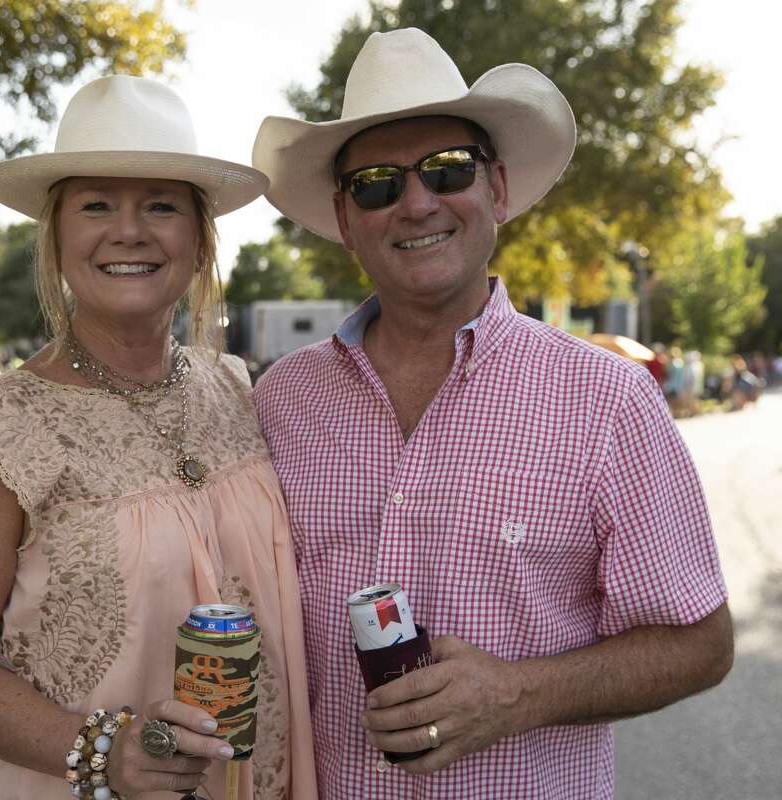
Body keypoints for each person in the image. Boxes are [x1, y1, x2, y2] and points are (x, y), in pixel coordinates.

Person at [251, 28, 732, 799]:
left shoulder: (606, 399)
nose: (416, 203)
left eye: (447, 171)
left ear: (497, 188)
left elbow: (701, 645)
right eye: (376, 183)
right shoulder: (282, 399)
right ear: (345, 219)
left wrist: (515, 695)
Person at [0, 75, 315, 800]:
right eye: (97, 205)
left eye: (160, 206)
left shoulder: (236, 388)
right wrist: (101, 748)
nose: (130, 230)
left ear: (198, 241)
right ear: (58, 237)